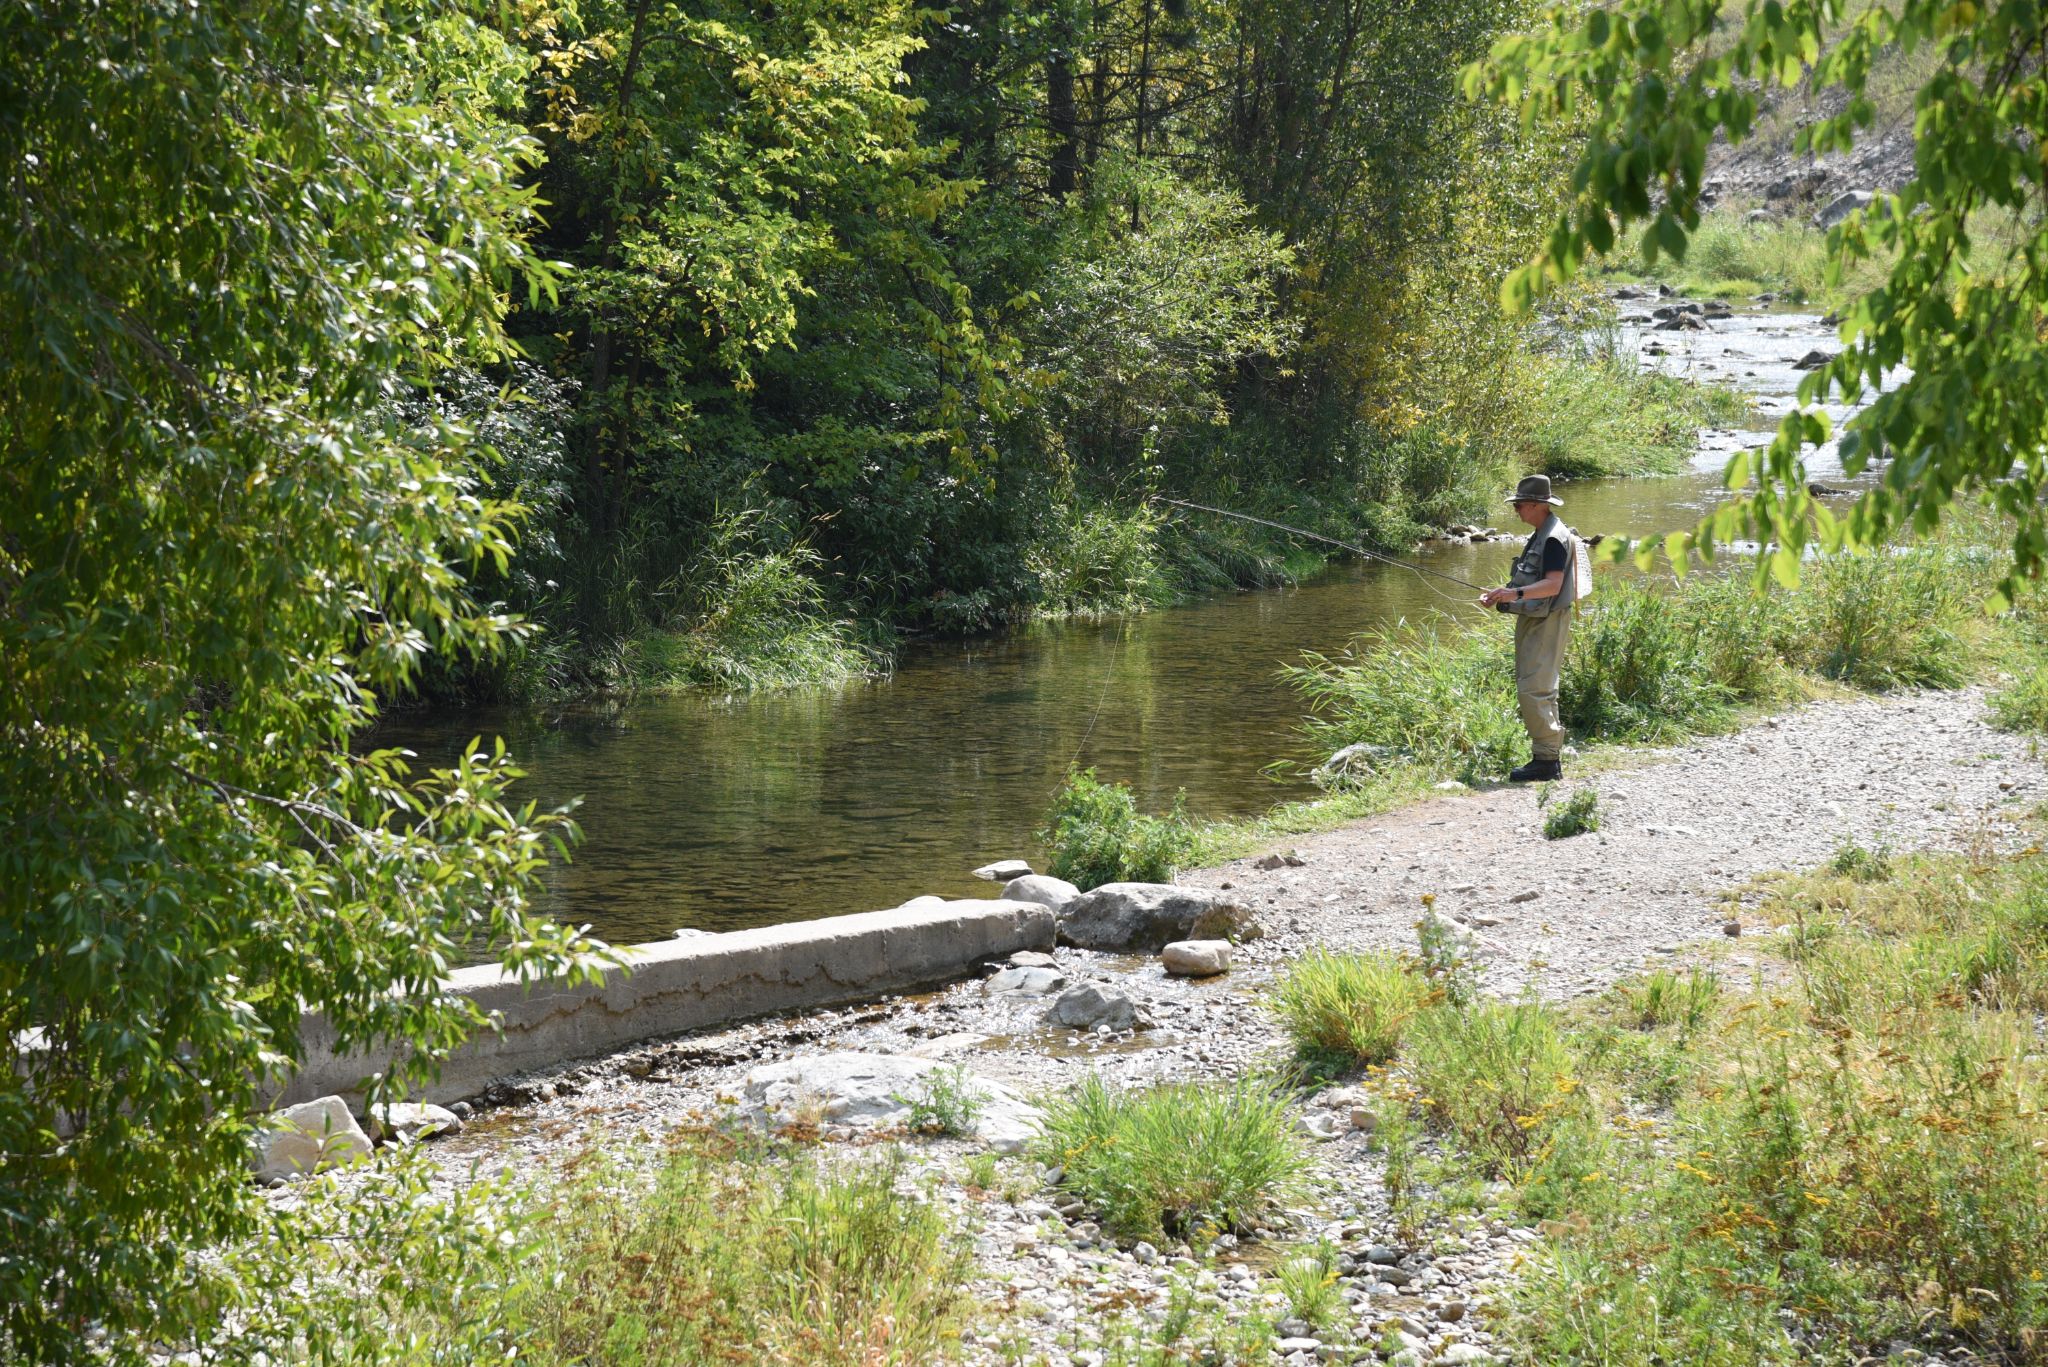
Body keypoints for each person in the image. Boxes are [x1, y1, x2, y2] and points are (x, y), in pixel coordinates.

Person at [1477, 474, 1582, 782]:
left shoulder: (1552, 538)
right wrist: (1503, 595)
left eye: (1519, 505)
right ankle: (1547, 757)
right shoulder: (1543, 532)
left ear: (1538, 505)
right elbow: (1532, 582)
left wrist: (1514, 594)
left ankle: (1546, 762)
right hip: (1540, 617)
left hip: (1547, 620)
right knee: (1540, 686)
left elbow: (1552, 584)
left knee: (1533, 689)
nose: (1516, 511)